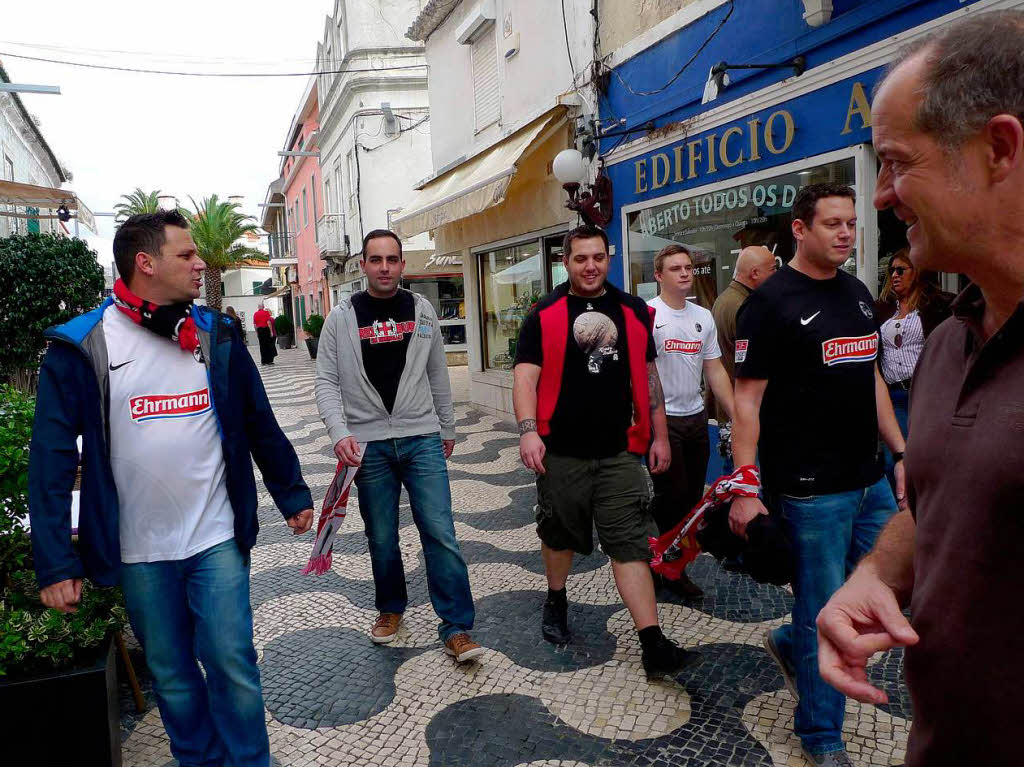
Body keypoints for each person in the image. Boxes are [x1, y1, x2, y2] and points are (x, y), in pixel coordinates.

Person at [28, 210, 314, 767]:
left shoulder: (216, 334)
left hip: (215, 537)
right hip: (138, 552)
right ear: (146, 263)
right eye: (186, 255)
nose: (199, 263)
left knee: (232, 662)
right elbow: (51, 461)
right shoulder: (81, 348)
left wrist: (292, 492)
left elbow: (257, 420)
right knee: (174, 678)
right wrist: (56, 562)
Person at [817, 14, 1024, 767]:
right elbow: (936, 501)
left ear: (999, 148)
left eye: (896, 164)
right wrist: (876, 572)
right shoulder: (945, 343)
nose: (880, 197)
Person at [729, 183, 907, 767]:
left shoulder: (858, 294)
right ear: (800, 230)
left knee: (893, 586)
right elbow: (746, 402)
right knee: (821, 611)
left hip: (869, 481)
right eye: (832, 223)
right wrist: (745, 486)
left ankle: (787, 644)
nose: (846, 233)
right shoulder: (771, 302)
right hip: (811, 492)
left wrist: (900, 453)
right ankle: (822, 737)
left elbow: (872, 378)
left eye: (851, 223)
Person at [512, 224, 692, 679]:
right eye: (580, 259)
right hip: (561, 452)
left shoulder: (632, 311)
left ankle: (653, 643)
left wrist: (661, 435)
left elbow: (650, 379)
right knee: (559, 535)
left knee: (630, 543)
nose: (589, 266)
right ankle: (556, 599)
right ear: (566, 262)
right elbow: (525, 378)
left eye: (597, 257)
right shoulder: (543, 313)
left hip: (619, 453)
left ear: (607, 258)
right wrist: (528, 431)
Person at [314, 228, 483, 662]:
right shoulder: (342, 317)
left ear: (403, 265)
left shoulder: (422, 310)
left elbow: (437, 374)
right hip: (368, 446)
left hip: (421, 437)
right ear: (363, 265)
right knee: (382, 537)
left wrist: (446, 428)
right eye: (376, 260)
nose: (385, 267)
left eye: (393, 259)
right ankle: (390, 609)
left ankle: (457, 626)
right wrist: (339, 433)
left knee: (440, 532)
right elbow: (326, 382)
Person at [647, 244, 736, 600]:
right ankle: (667, 567)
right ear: (659, 276)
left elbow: (714, 369)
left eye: (688, 267)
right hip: (663, 423)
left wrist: (735, 414)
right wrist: (655, 432)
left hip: (696, 419)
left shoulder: (704, 316)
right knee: (672, 499)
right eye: (675, 268)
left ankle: (665, 558)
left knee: (690, 502)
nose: (685, 273)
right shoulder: (649, 314)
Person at [873, 248, 952, 489]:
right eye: (891, 271)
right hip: (894, 396)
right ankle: (901, 513)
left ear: (917, 272)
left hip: (926, 394)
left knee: (927, 457)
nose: (894, 275)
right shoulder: (883, 310)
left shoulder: (936, 307)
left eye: (901, 270)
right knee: (895, 461)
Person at [710, 245, 778, 426]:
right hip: (744, 410)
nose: (777, 276)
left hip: (732, 408)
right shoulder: (745, 307)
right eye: (773, 270)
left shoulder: (725, 299)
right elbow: (754, 363)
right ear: (755, 273)